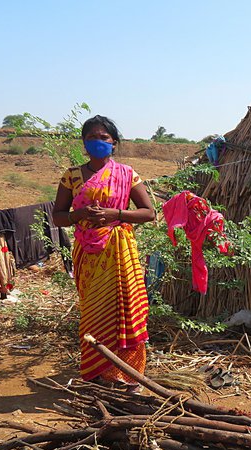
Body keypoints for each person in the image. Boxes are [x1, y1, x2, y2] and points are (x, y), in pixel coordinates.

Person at [52, 115, 155, 392]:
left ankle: (131, 376)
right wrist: (80, 215)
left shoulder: (128, 174)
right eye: (92, 137)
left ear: (114, 143)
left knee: (128, 311)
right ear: (84, 144)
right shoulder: (72, 175)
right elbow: (58, 217)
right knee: (94, 312)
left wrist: (116, 214)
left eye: (104, 137)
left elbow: (148, 213)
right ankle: (98, 374)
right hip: (88, 254)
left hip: (120, 251)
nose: (98, 142)